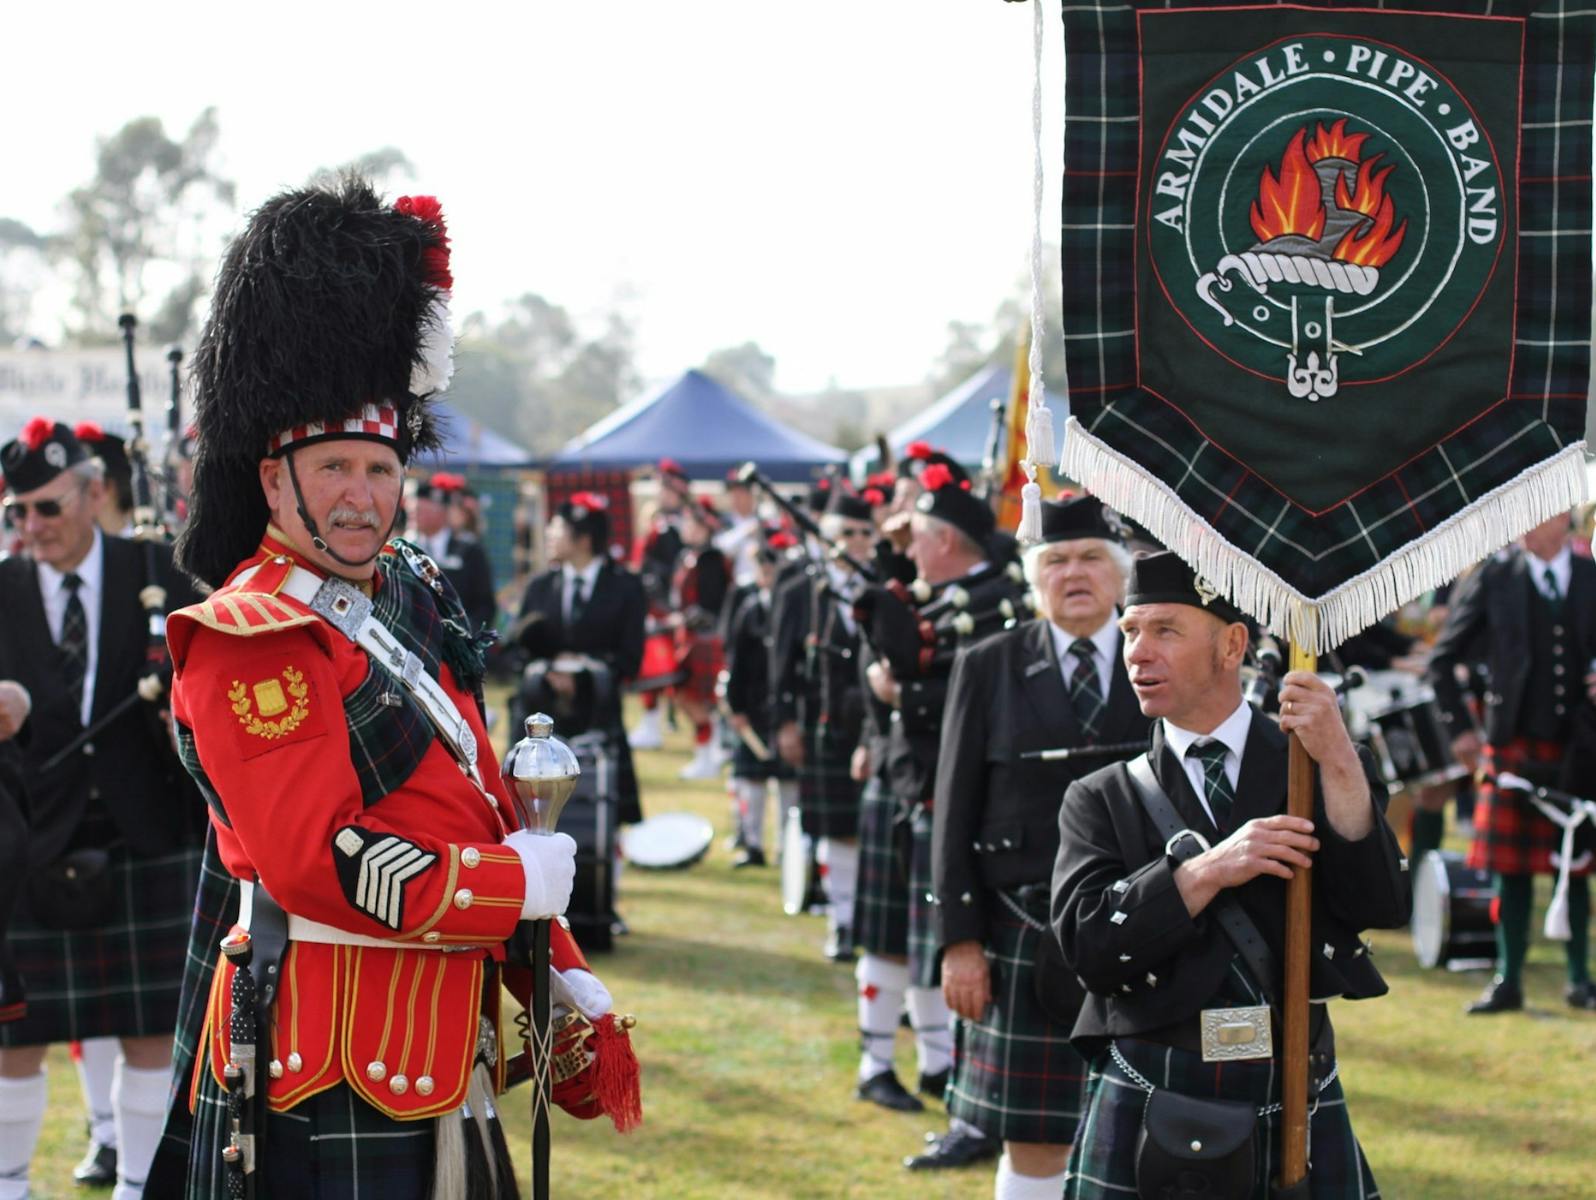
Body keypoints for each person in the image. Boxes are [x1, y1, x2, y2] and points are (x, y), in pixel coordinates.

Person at [144, 179, 638, 1199]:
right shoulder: (253, 633)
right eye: (333, 470)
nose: (362, 497)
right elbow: (317, 858)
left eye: (379, 469)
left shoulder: (402, 590)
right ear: (276, 481)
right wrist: (514, 892)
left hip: (436, 1027)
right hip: (324, 1055)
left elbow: (474, 798)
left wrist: (562, 969)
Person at [1052, 550, 1409, 1198]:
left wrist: (1338, 760)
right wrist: (1205, 872)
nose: (1136, 652)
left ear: (1232, 645)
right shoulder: (1101, 796)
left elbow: (1381, 902)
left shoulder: (1310, 767)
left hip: (1290, 1082)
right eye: (1129, 630)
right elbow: (1088, 950)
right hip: (1153, 1084)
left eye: (1165, 630)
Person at [914, 497, 1149, 1192]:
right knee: (1034, 1134)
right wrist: (959, 941)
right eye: (1055, 561)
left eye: (1090, 559)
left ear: (1120, 573)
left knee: (1144, 1126)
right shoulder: (987, 663)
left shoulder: (1159, 653)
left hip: (1143, 926)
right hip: (1022, 929)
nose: (1073, 574)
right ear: (1030, 576)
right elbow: (952, 811)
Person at [0, 418, 205, 1200]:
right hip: (27, 835)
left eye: (46, 508)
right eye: (16, 512)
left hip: (145, 830)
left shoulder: (158, 569)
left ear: (92, 494)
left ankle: (137, 1188)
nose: (30, 526)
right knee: (15, 1038)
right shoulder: (2, 586)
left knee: (152, 1032)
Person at [855, 463, 1029, 1122]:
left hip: (957, 788)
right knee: (897, 931)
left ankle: (939, 1066)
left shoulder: (1002, 601)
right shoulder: (931, 592)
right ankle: (885, 1063)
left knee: (937, 934)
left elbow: (978, 689)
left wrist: (906, 696)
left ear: (949, 542)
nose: (913, 548)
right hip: (909, 779)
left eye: (922, 537)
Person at [1428, 511, 1596, 1012]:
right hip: (1513, 746)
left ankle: (1579, 979)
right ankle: (1509, 981)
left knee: (1579, 864)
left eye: (1535, 510)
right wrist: (1460, 729)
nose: (1521, 522)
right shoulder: (1495, 575)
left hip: (1583, 746)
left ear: (1565, 517)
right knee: (1511, 874)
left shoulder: (1593, 575)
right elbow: (1443, 658)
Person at [772, 489, 874, 961]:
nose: (855, 542)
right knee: (837, 830)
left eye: (863, 533)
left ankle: (866, 920)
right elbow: (782, 664)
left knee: (871, 827)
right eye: (844, 533)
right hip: (822, 724)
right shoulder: (800, 590)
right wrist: (786, 724)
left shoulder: (885, 585)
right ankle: (842, 920)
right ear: (825, 537)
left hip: (876, 724)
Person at [510, 490, 646, 830]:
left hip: (597, 712)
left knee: (598, 813)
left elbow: (630, 657)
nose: (550, 535)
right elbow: (516, 648)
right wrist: (548, 672)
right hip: (539, 712)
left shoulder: (626, 587)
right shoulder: (540, 586)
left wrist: (583, 675)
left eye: (557, 528)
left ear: (583, 538)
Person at [719, 542, 795, 867]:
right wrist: (736, 708)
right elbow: (736, 662)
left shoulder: (796, 608)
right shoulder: (750, 609)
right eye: (763, 570)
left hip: (784, 709)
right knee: (751, 782)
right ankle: (752, 844)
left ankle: (787, 847)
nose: (768, 576)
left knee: (788, 784)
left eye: (772, 570)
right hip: (752, 708)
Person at [408, 472, 497, 634]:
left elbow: (485, 606)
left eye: (422, 509)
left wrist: (465, 636)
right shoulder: (406, 549)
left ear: (441, 511)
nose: (414, 514)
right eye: (414, 509)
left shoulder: (470, 551)